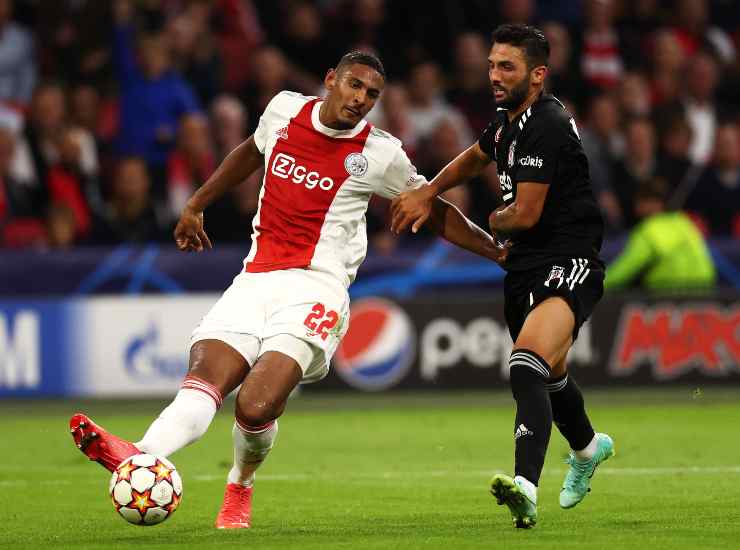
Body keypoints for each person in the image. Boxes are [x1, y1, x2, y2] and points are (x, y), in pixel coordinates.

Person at [69, 51, 507, 529]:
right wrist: (197, 203)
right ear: (330, 80)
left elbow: (434, 207)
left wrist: (496, 252)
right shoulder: (282, 111)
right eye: (354, 86)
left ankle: (240, 483)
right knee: (201, 387)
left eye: (372, 95)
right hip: (254, 280)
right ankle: (140, 456)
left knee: (255, 406)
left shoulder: (380, 153)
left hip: (317, 289)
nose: (361, 100)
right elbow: (250, 152)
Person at [391, 24, 614, 528]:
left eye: (506, 66)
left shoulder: (547, 124)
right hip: (524, 266)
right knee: (551, 376)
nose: (493, 74)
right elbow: (476, 155)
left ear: (537, 75)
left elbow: (526, 214)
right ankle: (587, 448)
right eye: (491, 64)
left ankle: (526, 489)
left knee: (526, 363)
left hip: (570, 259)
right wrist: (430, 188)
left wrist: (493, 219)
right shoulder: (506, 122)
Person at [605, 178, 715, 290]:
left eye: (641, 201)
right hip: (706, 293)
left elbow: (625, 269)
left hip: (667, 295)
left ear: (656, 203)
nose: (637, 207)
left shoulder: (649, 230)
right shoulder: (683, 221)